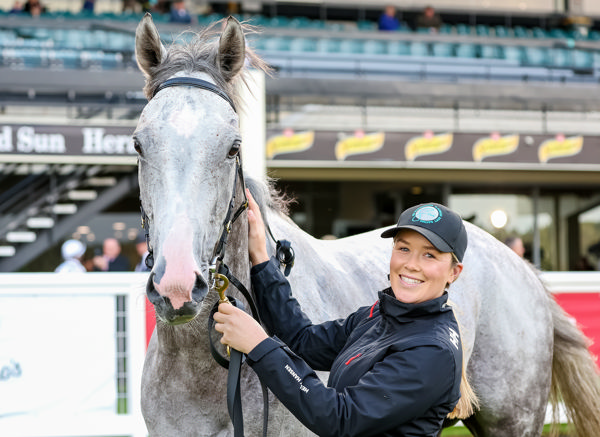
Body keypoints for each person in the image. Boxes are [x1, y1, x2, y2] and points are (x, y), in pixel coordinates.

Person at [214, 196, 476, 435]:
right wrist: (261, 260)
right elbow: (302, 340)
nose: (411, 264)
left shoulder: (431, 351)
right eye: (404, 248)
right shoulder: (380, 315)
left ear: (454, 272)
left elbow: (340, 418)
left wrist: (259, 346)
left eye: (429, 254)